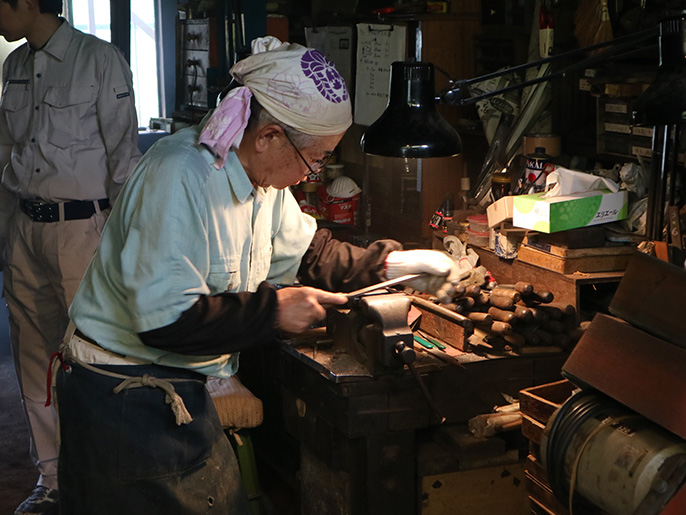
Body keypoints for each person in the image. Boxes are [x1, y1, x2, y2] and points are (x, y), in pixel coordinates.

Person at [55, 36, 459, 514]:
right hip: (120, 397)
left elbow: (310, 254)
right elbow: (165, 320)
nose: (314, 174)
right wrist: (274, 311)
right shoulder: (179, 175)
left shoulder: (261, 181)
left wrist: (393, 265)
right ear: (268, 137)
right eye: (315, 159)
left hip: (179, 384)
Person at [0, 0, 142, 513]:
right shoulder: (16, 66)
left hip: (83, 231)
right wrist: (4, 236)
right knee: (33, 356)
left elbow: (124, 160)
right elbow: (5, 154)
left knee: (95, 357)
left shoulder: (99, 60)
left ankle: (106, 478)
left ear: (26, 2)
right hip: (25, 228)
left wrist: (128, 248)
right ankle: (53, 480)